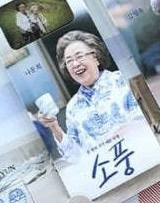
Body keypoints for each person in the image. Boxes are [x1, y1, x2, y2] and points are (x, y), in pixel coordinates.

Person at [37, 30, 144, 161]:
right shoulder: (72, 107)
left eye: (80, 56)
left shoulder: (122, 80)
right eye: (69, 61)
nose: (75, 64)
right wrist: (54, 126)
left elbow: (146, 121)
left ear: (96, 57)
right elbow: (75, 156)